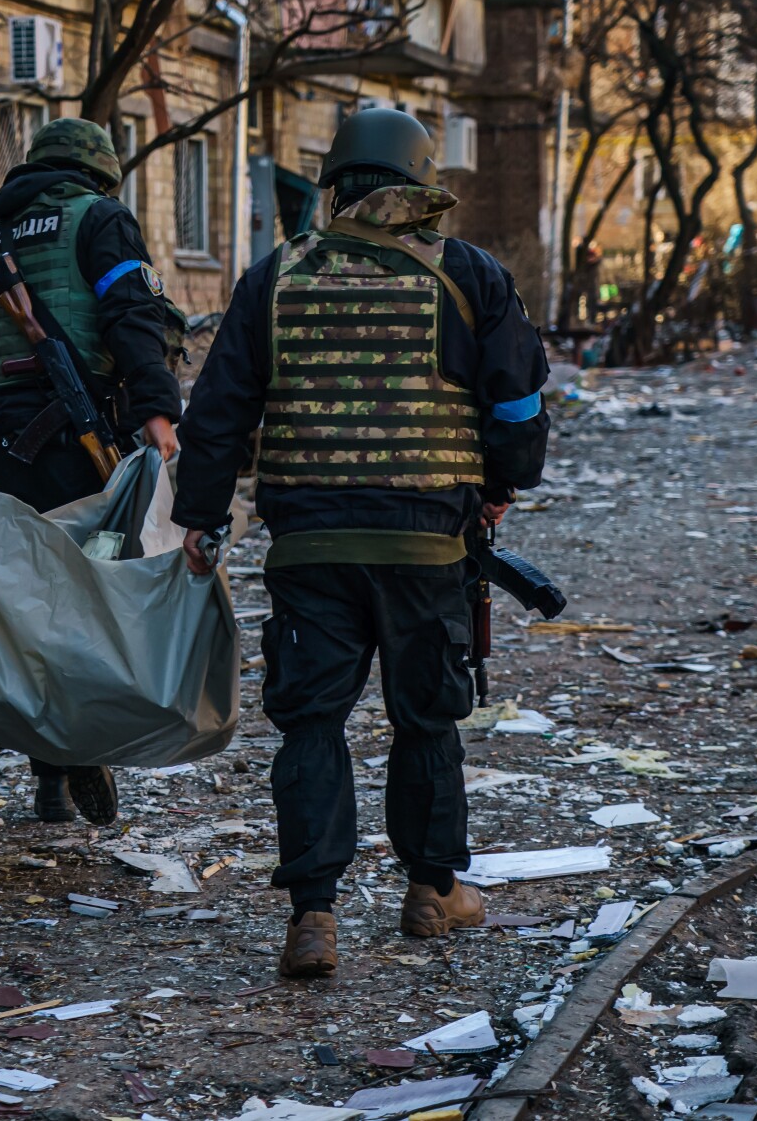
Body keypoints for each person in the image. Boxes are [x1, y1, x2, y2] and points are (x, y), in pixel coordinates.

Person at [169, 108, 550, 979]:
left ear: (335, 183)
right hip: (426, 547)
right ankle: (430, 890)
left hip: (311, 546)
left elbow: (218, 412)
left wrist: (203, 518)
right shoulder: (470, 275)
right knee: (427, 718)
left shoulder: (276, 276)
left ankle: (314, 914)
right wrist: (497, 487)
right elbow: (519, 402)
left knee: (311, 723)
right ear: (421, 185)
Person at [0, 117, 185, 828]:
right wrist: (159, 412)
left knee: (34, 605)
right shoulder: (100, 219)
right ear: (99, 173)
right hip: (82, 450)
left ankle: (49, 772)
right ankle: (77, 745)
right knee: (96, 602)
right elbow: (134, 315)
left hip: (6, 456)